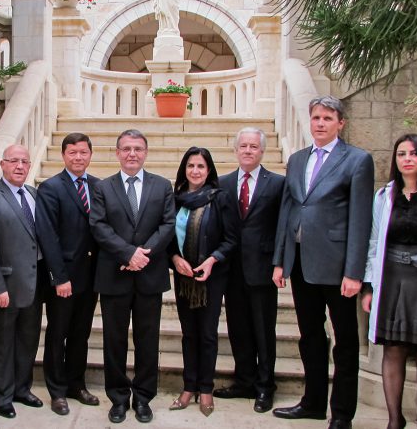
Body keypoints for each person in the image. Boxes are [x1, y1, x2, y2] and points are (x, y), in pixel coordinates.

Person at [272, 96, 374, 429]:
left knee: (344, 343)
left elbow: (361, 219)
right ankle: (313, 403)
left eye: (327, 118)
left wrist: (355, 272)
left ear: (340, 123)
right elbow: (288, 210)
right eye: (315, 117)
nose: (319, 123)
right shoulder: (297, 159)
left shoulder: (357, 160)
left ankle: (342, 412)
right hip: (301, 264)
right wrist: (280, 261)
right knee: (310, 337)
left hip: (338, 268)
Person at [89, 129, 176, 424]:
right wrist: (127, 254)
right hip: (114, 275)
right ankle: (118, 398)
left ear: (146, 152)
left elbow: (167, 225)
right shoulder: (103, 187)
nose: (132, 154)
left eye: (138, 148)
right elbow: (98, 226)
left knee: (147, 341)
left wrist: (143, 255)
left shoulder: (163, 186)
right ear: (117, 153)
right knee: (114, 341)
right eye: (126, 148)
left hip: (149, 276)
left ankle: (143, 398)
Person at [361, 134, 417, 429]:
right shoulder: (384, 196)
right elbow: (374, 241)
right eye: (401, 154)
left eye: (413, 153)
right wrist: (369, 285)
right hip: (392, 280)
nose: (407, 159)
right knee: (393, 349)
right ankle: (394, 420)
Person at [213, 128, 284, 413]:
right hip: (232, 270)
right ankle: (244, 380)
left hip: (263, 269)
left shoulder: (278, 183)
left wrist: (280, 263)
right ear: (235, 149)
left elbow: (282, 227)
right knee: (238, 328)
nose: (248, 150)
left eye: (253, 146)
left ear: (262, 151)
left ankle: (265, 386)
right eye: (243, 146)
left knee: (263, 331)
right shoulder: (223, 183)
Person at [0, 145, 45, 419]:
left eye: (25, 161)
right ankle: (1, 396)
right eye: (14, 161)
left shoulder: (34, 195)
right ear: (2, 164)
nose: (20, 166)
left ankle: (21, 389)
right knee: (0, 344)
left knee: (27, 341)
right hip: (3, 286)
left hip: (33, 285)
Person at [167, 147, 238, 417]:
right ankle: (188, 387)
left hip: (211, 277)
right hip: (184, 277)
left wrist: (212, 261)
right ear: (184, 169)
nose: (195, 171)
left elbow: (231, 239)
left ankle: (205, 388)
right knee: (189, 334)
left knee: (207, 334)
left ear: (209, 171)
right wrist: (174, 258)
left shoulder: (220, 199)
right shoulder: (176, 200)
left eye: (200, 166)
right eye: (190, 166)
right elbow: (168, 238)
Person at [35, 133, 102, 416]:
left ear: (90, 155)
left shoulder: (99, 186)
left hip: (90, 277)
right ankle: (57, 390)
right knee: (58, 333)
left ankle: (77, 384)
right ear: (64, 155)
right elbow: (48, 237)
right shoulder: (50, 188)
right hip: (63, 278)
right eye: (73, 152)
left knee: (80, 334)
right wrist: (59, 278)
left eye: (83, 152)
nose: (78, 157)